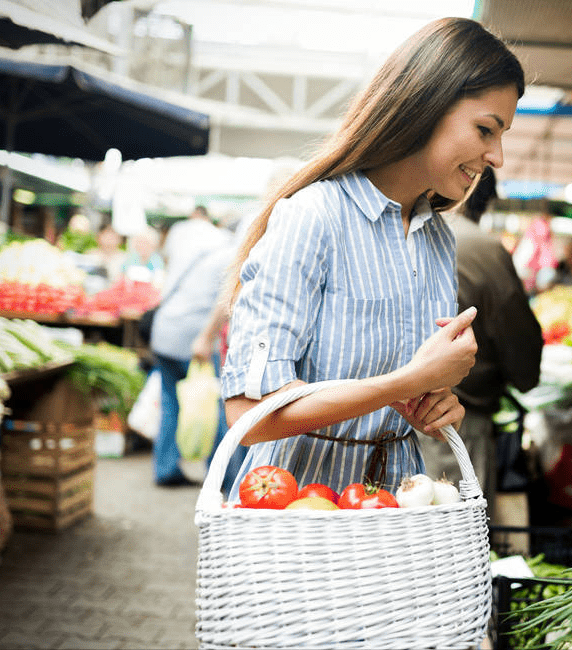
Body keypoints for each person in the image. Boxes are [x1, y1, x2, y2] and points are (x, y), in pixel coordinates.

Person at [219, 17, 524, 497]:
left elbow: (409, 390)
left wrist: (437, 404)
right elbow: (248, 416)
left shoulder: (438, 239)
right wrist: (409, 380)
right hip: (299, 511)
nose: (498, 156)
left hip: (394, 510)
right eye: (486, 129)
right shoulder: (313, 216)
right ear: (428, 103)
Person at [420, 168, 542, 517]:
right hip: (455, 421)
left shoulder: (413, 228)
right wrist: (524, 377)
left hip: (395, 410)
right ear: (485, 198)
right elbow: (520, 344)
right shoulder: (483, 246)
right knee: (454, 536)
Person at [150, 218, 233, 486]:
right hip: (195, 338)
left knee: (171, 403)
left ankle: (165, 469)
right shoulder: (227, 254)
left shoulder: (181, 251)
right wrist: (207, 337)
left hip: (163, 333)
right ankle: (220, 475)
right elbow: (225, 301)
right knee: (217, 403)